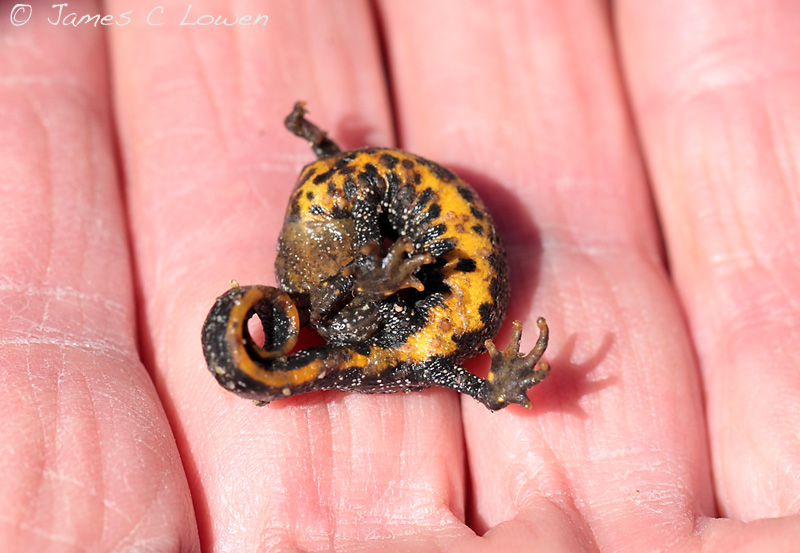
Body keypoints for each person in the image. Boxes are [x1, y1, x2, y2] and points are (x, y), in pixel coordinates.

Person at [1, 2, 798, 551]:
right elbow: (397, 338)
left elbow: (332, 220)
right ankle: (491, 377)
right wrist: (494, 376)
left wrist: (315, 139)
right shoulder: (356, 305)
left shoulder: (340, 210)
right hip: (438, 327)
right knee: (447, 369)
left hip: (410, 292)